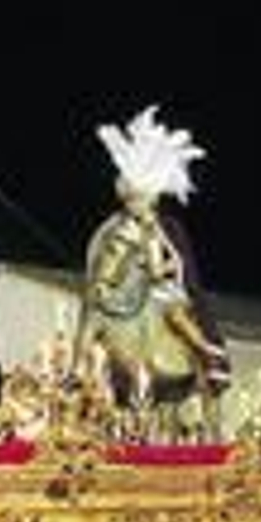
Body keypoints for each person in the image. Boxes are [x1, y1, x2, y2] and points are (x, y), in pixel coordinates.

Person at [78, 106, 230, 406]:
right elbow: (102, 260)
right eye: (133, 198)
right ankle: (77, 369)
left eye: (142, 198)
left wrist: (168, 266)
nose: (137, 204)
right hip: (122, 290)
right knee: (91, 319)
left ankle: (208, 354)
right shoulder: (114, 226)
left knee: (176, 312)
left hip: (161, 288)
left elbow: (177, 266)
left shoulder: (166, 226)